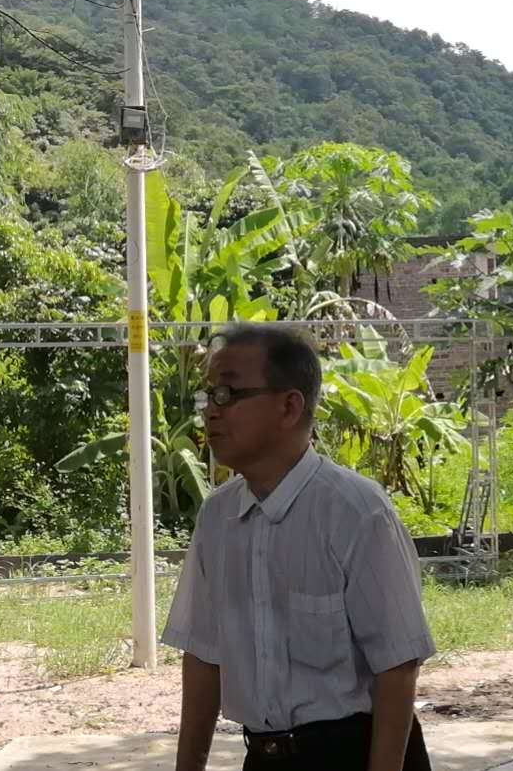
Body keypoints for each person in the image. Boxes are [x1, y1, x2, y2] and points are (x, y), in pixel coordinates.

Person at [166, 323, 436, 771]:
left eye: (228, 394)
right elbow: (202, 655)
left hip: (356, 753)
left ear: (289, 406)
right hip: (264, 755)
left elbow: (397, 666)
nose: (211, 411)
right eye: (208, 395)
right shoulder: (218, 517)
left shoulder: (356, 511)